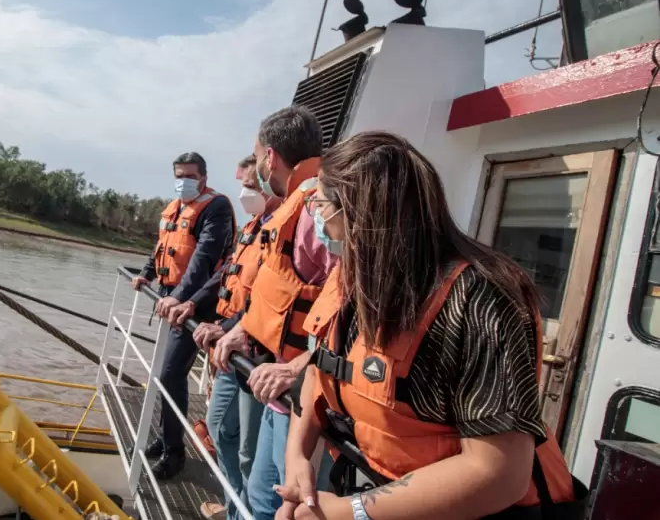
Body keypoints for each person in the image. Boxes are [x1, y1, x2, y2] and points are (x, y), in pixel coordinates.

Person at [277, 131, 587, 520]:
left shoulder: (480, 298)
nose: (316, 213)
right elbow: (319, 374)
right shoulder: (353, 281)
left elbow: (499, 472)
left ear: (356, 210)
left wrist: (347, 512)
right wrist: (297, 462)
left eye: (320, 201)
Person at [210, 106, 338, 520]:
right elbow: (276, 289)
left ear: (270, 158)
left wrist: (298, 366)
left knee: (293, 508)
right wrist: (241, 330)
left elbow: (355, 309)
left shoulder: (323, 211)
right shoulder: (292, 208)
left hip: (307, 399)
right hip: (278, 391)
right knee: (263, 500)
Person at [167, 154, 278, 520]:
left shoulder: (280, 232)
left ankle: (241, 511)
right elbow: (225, 273)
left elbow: (271, 298)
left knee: (249, 450)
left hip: (256, 355)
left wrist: (228, 328)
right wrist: (192, 303)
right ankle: (235, 505)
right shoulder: (252, 227)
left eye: (248, 185)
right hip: (230, 350)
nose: (243, 192)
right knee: (217, 427)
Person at [133, 151, 236, 480]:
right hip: (168, 297)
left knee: (170, 374)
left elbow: (203, 259)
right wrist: (147, 274)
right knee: (165, 373)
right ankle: (165, 438)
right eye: (179, 175)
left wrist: (181, 298)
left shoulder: (215, 207)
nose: (184, 182)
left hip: (196, 303)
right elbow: (162, 244)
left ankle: (174, 452)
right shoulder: (175, 208)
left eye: (190, 176)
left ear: (203, 177)